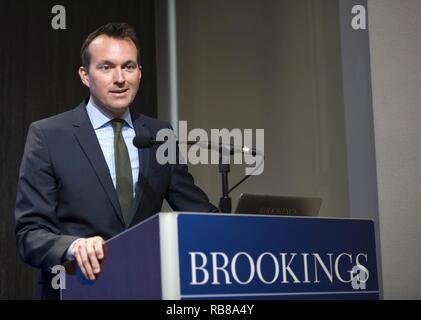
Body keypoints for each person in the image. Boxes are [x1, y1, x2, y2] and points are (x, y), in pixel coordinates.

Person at [14, 22, 218, 300]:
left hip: (146, 287)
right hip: (77, 288)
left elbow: (197, 212)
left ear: (139, 73)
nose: (120, 78)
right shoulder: (48, 136)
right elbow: (29, 234)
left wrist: (247, 230)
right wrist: (73, 246)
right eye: (106, 67)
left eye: (129, 66)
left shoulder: (160, 134)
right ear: (85, 76)